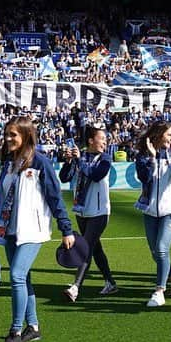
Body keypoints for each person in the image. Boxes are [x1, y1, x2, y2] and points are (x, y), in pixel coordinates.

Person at [0, 116, 75, 342]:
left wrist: (66, 229)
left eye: (12, 135)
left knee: (16, 276)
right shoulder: (9, 162)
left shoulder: (40, 163)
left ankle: (15, 330)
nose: (7, 139)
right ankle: (33, 327)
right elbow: (0, 192)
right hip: (10, 230)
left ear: (26, 135)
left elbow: (55, 197)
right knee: (23, 278)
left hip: (32, 230)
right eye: (6, 134)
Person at [58, 125, 117, 301]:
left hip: (99, 212)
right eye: (102, 139)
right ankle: (110, 283)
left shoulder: (105, 158)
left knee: (85, 248)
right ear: (91, 140)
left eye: (105, 139)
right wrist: (69, 161)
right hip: (82, 211)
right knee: (96, 249)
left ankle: (75, 287)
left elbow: (96, 175)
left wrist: (79, 161)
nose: (105, 142)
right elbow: (64, 177)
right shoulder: (80, 157)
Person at [135, 121, 171, 307]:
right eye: (169, 135)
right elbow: (144, 177)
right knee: (155, 252)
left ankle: (159, 291)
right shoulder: (143, 155)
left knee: (161, 248)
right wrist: (151, 157)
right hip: (150, 210)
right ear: (158, 135)